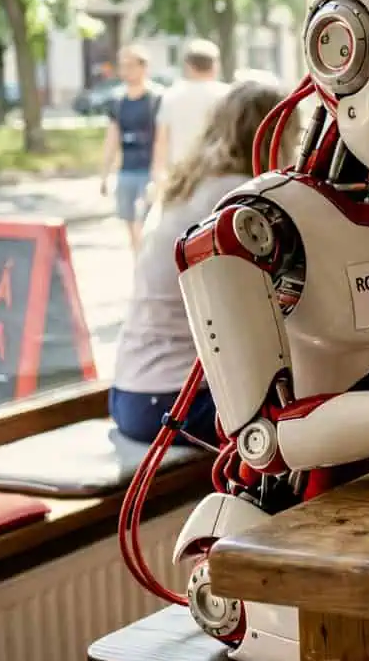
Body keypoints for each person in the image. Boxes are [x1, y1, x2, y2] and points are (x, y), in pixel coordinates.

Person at [109, 79, 291, 444]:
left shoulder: (191, 186)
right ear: (276, 134)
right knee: (315, 417)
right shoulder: (244, 198)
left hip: (132, 392)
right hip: (178, 400)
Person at [100, 46, 163, 251]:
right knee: (129, 221)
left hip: (149, 170)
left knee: (145, 222)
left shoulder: (156, 99)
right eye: (123, 66)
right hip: (126, 169)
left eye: (130, 65)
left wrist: (159, 172)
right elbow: (112, 138)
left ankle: (145, 262)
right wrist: (104, 174)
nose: (125, 71)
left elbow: (163, 138)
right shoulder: (118, 101)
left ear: (143, 67)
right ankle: (138, 262)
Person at [152, 38, 229, 183]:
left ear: (188, 66)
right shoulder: (226, 96)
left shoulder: (171, 96)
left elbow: (161, 139)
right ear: (215, 65)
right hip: (216, 170)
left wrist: (158, 172)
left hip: (180, 171)